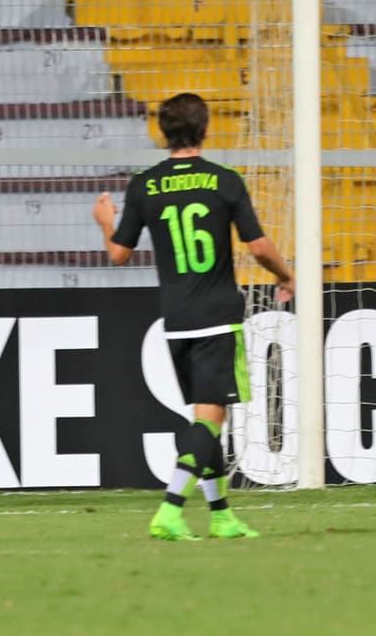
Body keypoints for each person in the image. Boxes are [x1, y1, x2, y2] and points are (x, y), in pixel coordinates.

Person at [92, 92, 294, 541]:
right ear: (206, 128)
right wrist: (287, 274)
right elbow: (258, 246)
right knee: (209, 421)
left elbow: (118, 254)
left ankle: (221, 515)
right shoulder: (224, 180)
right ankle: (170, 509)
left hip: (177, 319)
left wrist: (105, 221)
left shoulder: (144, 184)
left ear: (163, 132)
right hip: (218, 316)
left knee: (205, 419)